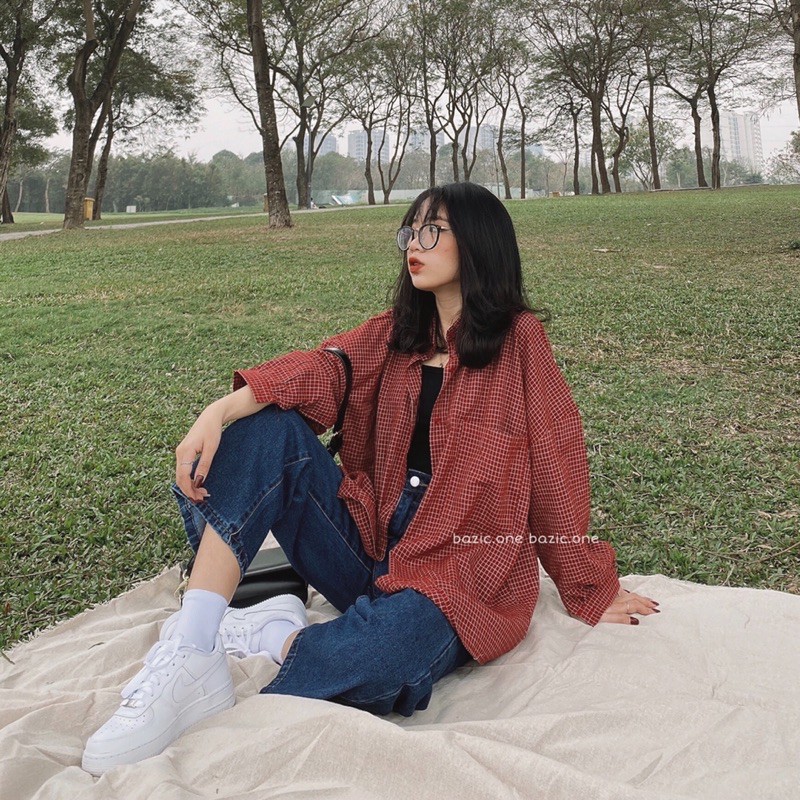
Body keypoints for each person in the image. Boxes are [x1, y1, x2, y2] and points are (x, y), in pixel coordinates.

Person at [82, 181, 660, 775]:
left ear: (479, 242)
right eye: (411, 230)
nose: (415, 244)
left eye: (433, 230)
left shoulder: (519, 343)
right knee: (268, 427)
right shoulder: (394, 333)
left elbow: (557, 465)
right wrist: (219, 411)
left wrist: (589, 587)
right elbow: (322, 369)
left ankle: (271, 636)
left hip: (458, 574)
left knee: (387, 655)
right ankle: (193, 649)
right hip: (371, 544)